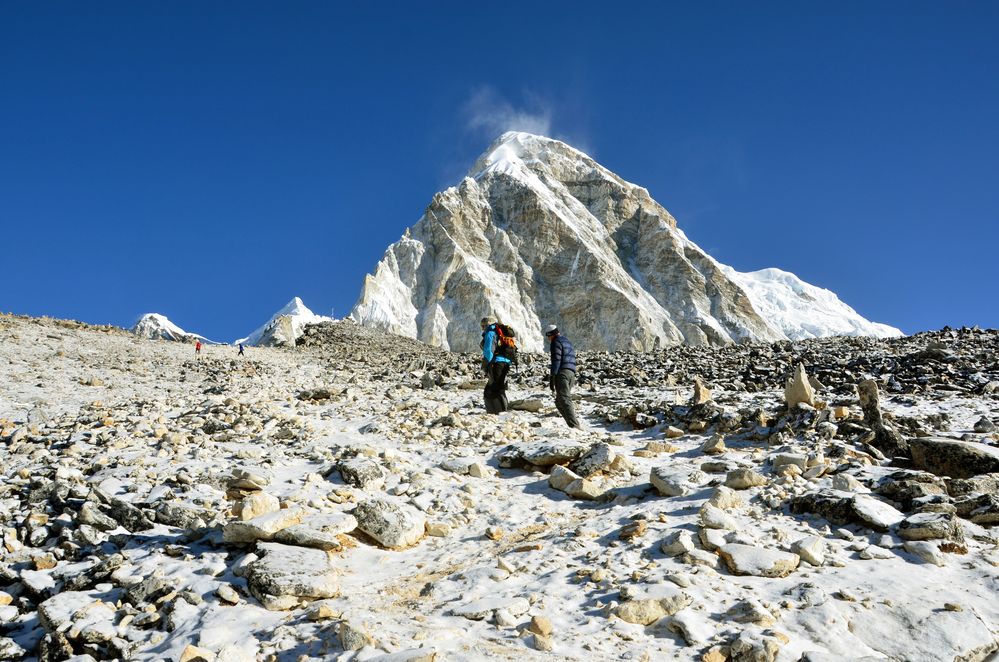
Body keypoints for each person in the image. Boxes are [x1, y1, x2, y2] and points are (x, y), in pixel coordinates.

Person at [546, 324, 581, 428]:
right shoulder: (566, 341)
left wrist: (552, 376)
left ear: (551, 334)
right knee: (559, 401)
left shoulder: (555, 342)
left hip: (562, 374)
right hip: (571, 373)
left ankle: (574, 426)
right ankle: (572, 424)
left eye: (548, 336)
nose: (548, 338)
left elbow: (556, 360)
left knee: (565, 400)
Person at [480, 316, 512, 414]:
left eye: (483, 326)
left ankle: (501, 412)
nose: (482, 328)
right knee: (497, 386)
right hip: (505, 361)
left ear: (487, 324)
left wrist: (486, 364)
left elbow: (489, 350)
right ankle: (499, 410)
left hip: (497, 362)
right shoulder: (498, 332)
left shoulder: (490, 332)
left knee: (496, 388)